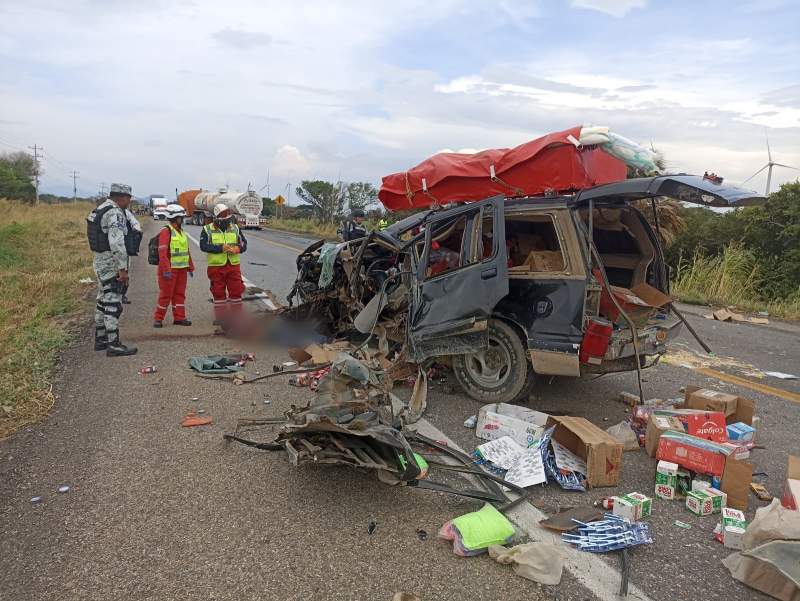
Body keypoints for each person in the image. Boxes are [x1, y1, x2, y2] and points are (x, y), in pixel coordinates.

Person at [87, 182, 137, 356]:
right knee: (113, 303)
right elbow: (117, 243)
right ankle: (113, 344)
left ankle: (100, 339)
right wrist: (122, 269)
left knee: (102, 300)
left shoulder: (99, 209)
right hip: (111, 262)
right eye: (128, 199)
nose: (129, 202)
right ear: (122, 197)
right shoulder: (115, 213)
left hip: (100, 260)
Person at [200, 203, 247, 325]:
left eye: (228, 216)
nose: (228, 219)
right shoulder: (207, 229)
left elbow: (244, 244)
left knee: (236, 291)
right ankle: (221, 317)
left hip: (233, 266)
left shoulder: (235, 228)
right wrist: (221, 248)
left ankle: (237, 315)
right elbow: (203, 246)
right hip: (216, 267)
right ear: (217, 218)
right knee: (218, 292)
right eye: (224, 216)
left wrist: (238, 249)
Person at [153, 204, 194, 327]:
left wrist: (190, 266)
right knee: (166, 295)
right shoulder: (166, 231)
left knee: (180, 294)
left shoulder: (181, 232)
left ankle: (179, 318)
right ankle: (158, 318)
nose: (183, 219)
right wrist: (166, 269)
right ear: (175, 217)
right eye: (181, 217)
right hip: (169, 270)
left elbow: (186, 250)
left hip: (181, 269)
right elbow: (162, 252)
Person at [121, 208, 143, 304]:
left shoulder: (125, 212)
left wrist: (134, 232)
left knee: (125, 273)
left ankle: (122, 295)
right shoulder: (107, 211)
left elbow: (136, 224)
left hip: (123, 249)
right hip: (110, 251)